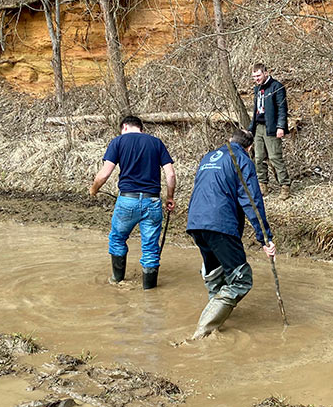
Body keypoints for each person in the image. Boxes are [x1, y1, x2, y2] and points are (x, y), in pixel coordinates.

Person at [186, 128, 277, 339]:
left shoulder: (208, 157)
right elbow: (252, 201)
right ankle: (202, 334)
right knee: (241, 279)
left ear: (229, 140)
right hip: (220, 224)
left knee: (215, 273)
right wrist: (265, 238)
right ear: (250, 147)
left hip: (196, 222)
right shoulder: (241, 160)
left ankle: (216, 326)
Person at [89, 115, 176, 289]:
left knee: (117, 238)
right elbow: (171, 174)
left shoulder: (118, 142)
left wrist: (94, 189)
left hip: (127, 201)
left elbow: (105, 173)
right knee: (150, 247)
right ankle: (149, 291)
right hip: (152, 201)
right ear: (140, 127)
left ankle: (117, 280)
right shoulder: (156, 143)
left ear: (125, 127)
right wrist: (170, 197)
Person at [249, 63, 292, 200]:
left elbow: (282, 108)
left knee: (275, 157)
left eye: (259, 75)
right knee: (259, 157)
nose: (256, 79)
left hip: (272, 126)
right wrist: (251, 129)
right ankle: (263, 185)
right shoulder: (257, 89)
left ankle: (285, 186)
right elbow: (256, 110)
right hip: (259, 127)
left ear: (266, 73)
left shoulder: (276, 87)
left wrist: (281, 126)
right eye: (254, 76)